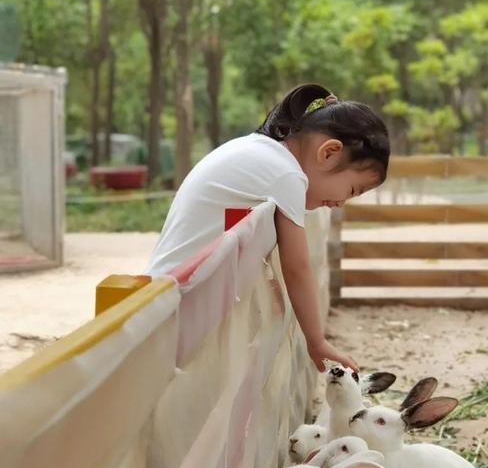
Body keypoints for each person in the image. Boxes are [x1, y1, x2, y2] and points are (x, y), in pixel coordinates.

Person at [146, 83, 390, 372]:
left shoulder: (262, 153)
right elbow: (297, 266)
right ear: (329, 153)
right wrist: (317, 341)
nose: (340, 204)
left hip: (162, 298)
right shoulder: (285, 173)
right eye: (352, 190)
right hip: (175, 306)